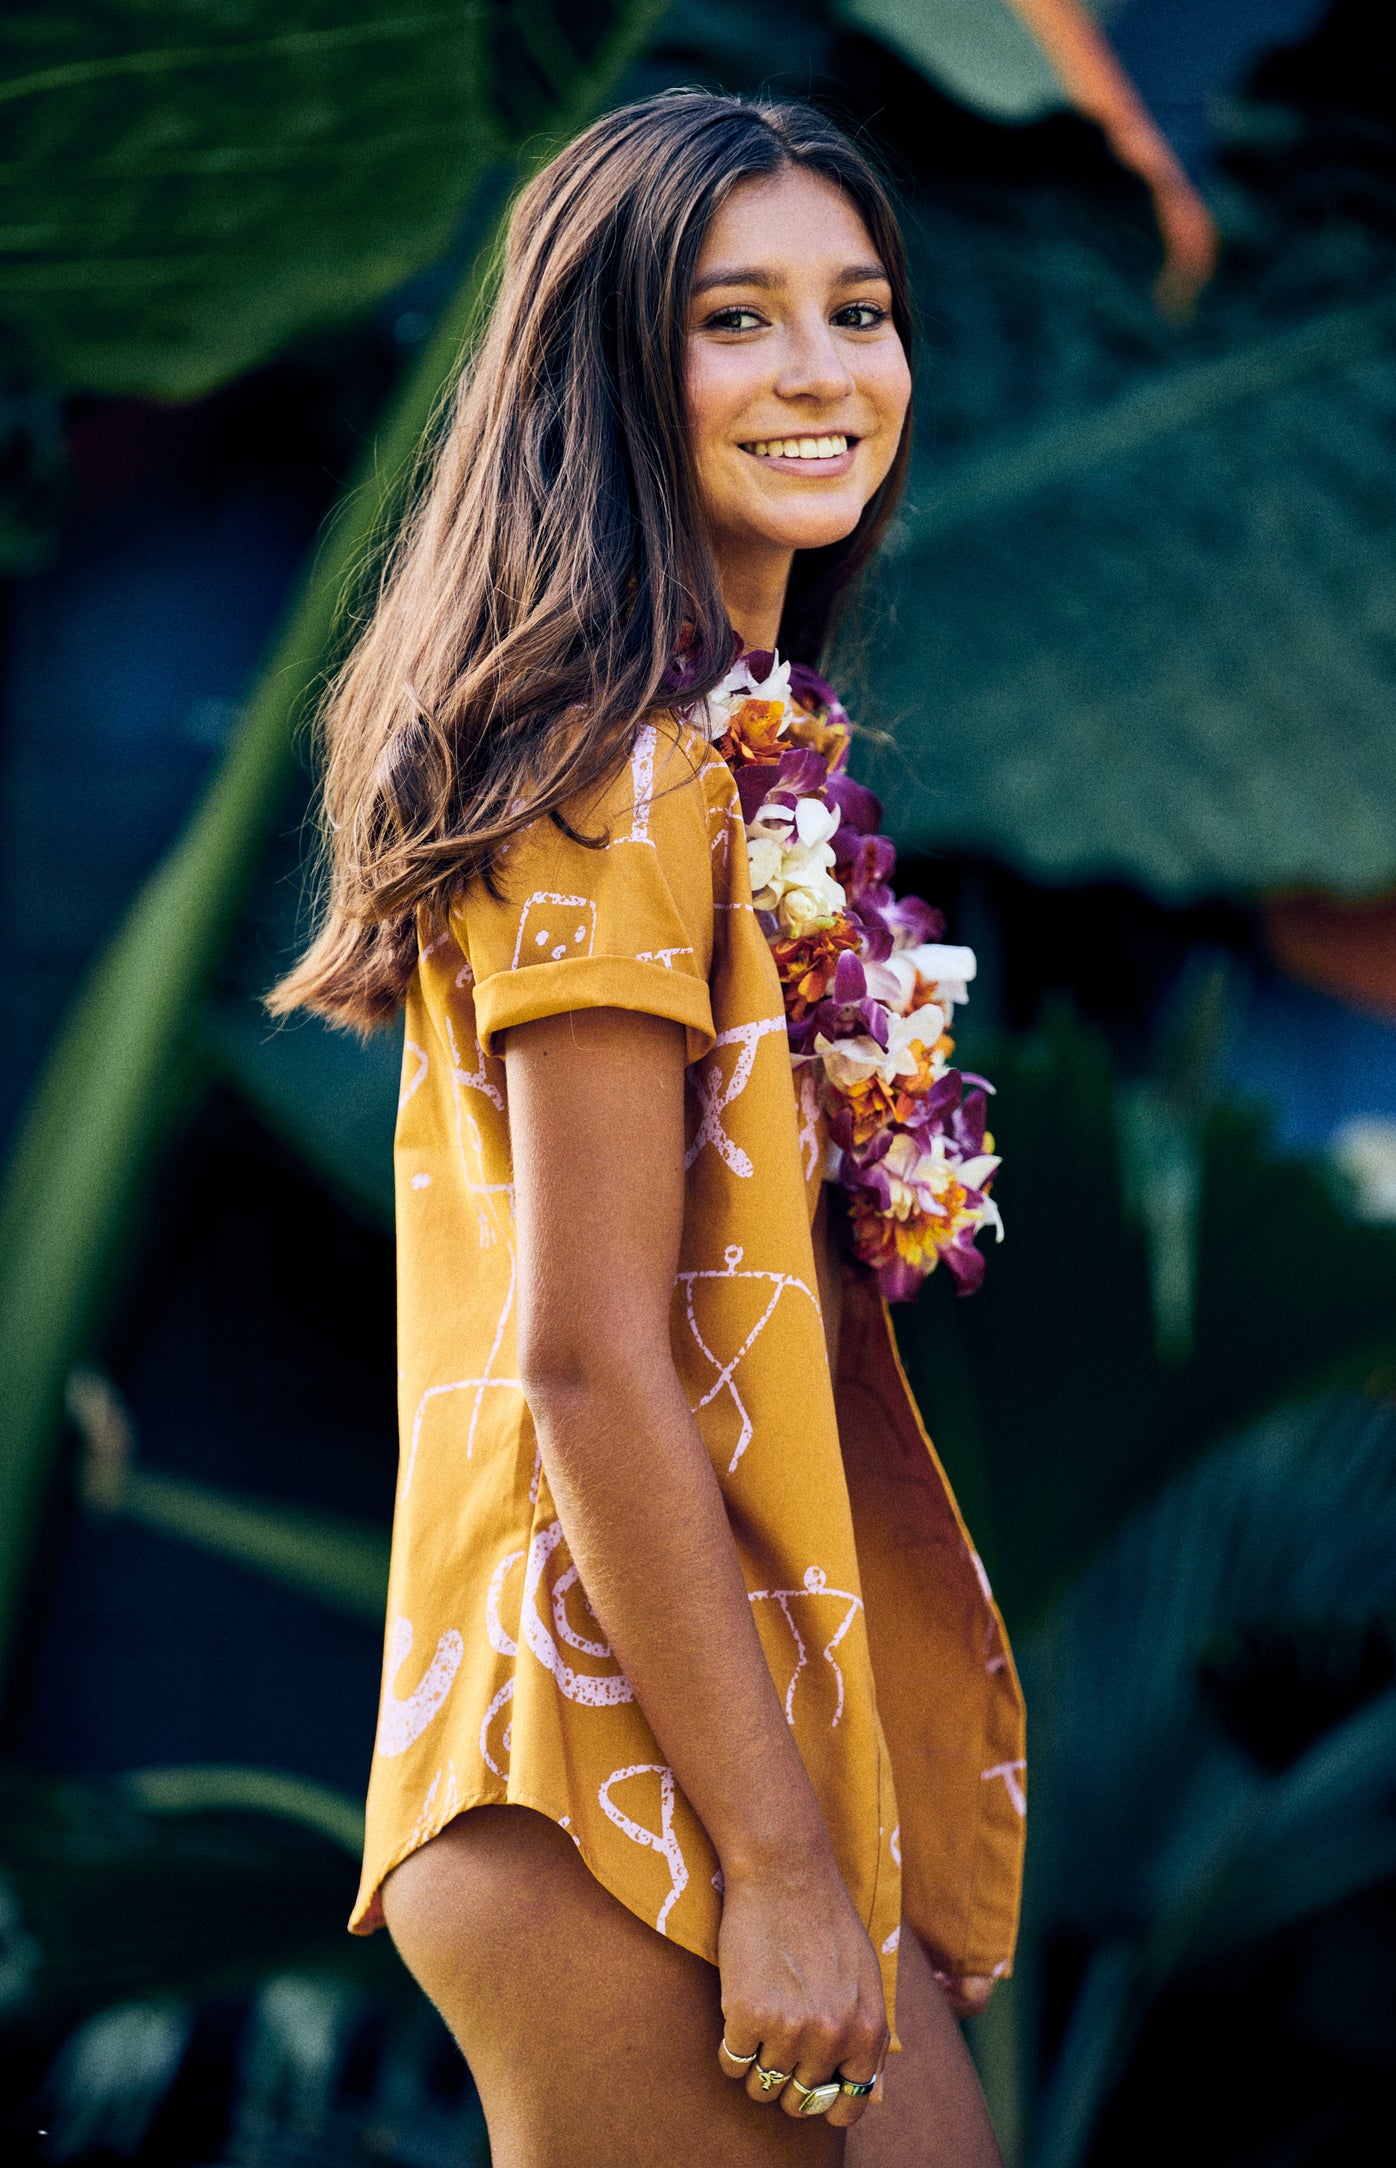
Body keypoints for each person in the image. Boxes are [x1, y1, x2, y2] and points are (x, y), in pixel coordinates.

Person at [270, 90, 1025, 2168]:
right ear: (609, 372)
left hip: (726, 1739)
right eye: (734, 319)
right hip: (611, 1757)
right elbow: (590, 1352)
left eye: (856, 309)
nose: (819, 371)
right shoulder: (619, 773)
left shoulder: (734, 757)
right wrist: (783, 1864)